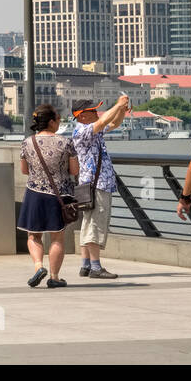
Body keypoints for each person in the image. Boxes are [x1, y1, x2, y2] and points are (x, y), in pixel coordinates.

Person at [18, 103, 80, 288]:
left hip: (34, 193)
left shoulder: (28, 142)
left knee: (33, 236)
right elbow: (74, 170)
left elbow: (24, 170)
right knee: (57, 238)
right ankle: (54, 276)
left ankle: (38, 267)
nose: (59, 123)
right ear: (51, 122)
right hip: (59, 195)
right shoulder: (65, 142)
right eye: (58, 119)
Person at [69, 96, 129, 280]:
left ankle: (86, 265)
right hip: (96, 185)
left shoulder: (92, 131)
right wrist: (118, 104)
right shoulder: (83, 132)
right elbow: (104, 120)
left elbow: (113, 123)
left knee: (88, 223)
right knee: (95, 224)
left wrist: (122, 110)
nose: (97, 113)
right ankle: (96, 267)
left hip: (94, 184)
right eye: (92, 111)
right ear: (81, 116)